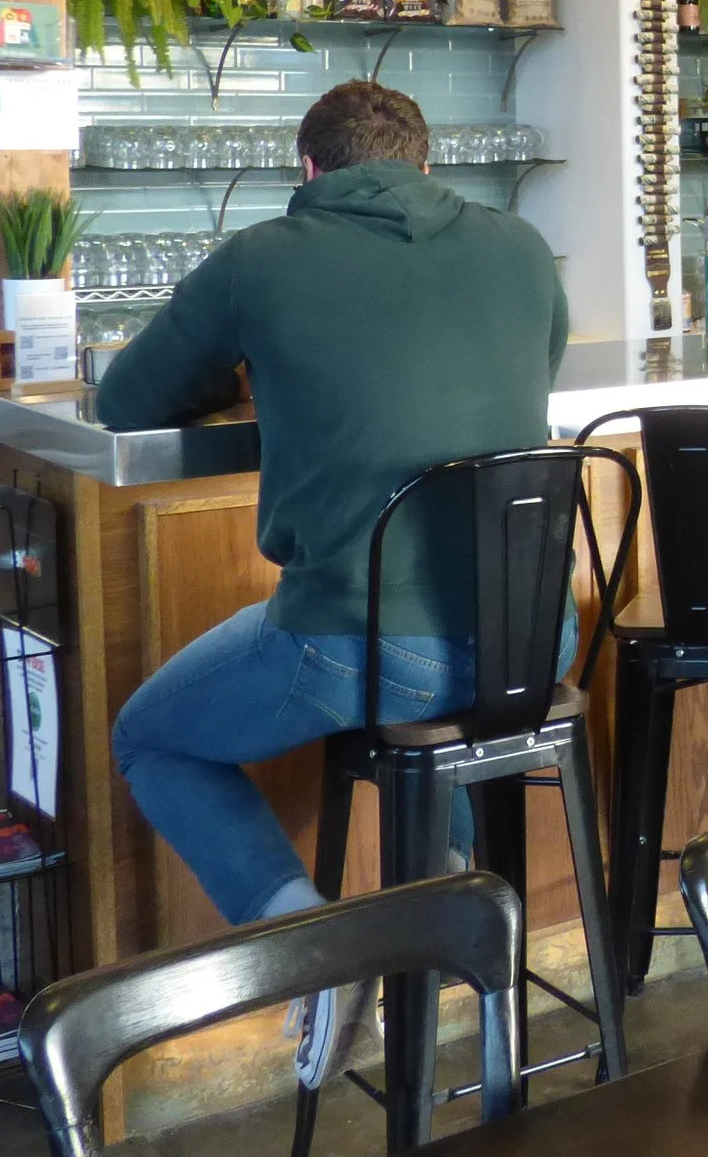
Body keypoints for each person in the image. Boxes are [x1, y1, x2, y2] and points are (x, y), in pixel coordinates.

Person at [98, 80, 570, 1079]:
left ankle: (316, 948)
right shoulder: (521, 247)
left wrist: (256, 365)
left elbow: (126, 398)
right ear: (426, 163)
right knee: (437, 710)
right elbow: (533, 369)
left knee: (148, 737)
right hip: (533, 637)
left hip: (369, 645)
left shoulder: (261, 259)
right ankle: (440, 915)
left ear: (307, 171)